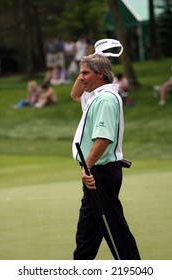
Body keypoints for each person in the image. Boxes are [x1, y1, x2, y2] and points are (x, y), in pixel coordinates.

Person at [71, 54, 141, 260]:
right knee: (86, 235)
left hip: (99, 173)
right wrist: (92, 56)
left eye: (85, 73)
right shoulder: (94, 95)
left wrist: (87, 167)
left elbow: (103, 138)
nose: (81, 77)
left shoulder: (105, 99)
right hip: (97, 173)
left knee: (115, 232)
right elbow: (74, 94)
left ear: (100, 74)